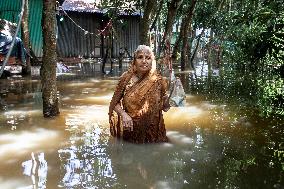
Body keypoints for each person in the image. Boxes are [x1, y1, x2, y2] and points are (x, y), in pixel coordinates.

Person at [109, 45, 170, 143]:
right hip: (131, 131)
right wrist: (123, 114)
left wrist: (170, 99)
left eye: (148, 58)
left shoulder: (159, 81)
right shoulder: (126, 78)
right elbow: (114, 103)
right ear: (134, 61)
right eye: (140, 57)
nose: (144, 61)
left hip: (154, 134)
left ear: (152, 62)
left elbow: (165, 108)